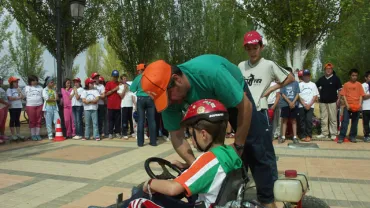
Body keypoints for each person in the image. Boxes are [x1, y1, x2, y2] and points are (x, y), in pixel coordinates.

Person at [141, 55, 293, 207]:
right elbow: (177, 136)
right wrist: (197, 167)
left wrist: (239, 145)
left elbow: (245, 106)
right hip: (208, 105)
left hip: (235, 98)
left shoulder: (211, 73)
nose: (169, 102)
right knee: (224, 157)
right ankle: (231, 190)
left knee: (255, 147)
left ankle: (268, 201)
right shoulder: (171, 98)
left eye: (168, 96)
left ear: (177, 80)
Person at [94, 99, 242, 208]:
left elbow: (173, 188)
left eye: (191, 134)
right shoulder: (230, 153)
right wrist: (186, 168)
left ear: (203, 135)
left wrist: (150, 183)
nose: (191, 139)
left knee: (140, 200)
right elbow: (210, 175)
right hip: (216, 203)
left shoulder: (208, 159)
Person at [130, 64, 157, 147]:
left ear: (139, 70)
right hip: (150, 98)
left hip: (141, 99)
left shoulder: (138, 78)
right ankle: (153, 142)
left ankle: (140, 143)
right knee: (152, 121)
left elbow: (132, 89)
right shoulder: (151, 77)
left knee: (141, 121)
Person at [316, 63, 342, 140]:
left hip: (333, 102)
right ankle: (324, 133)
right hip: (323, 102)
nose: (328, 70)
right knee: (324, 118)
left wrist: (338, 99)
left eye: (330, 69)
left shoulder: (336, 78)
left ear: (332, 70)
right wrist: (317, 95)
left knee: (333, 119)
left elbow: (340, 90)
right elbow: (315, 86)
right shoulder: (321, 79)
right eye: (327, 69)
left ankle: (333, 134)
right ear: (324, 70)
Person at [338, 69, 365, 143]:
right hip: (348, 106)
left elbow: (361, 95)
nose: (354, 77)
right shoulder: (346, 84)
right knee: (345, 122)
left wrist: (359, 105)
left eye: (356, 75)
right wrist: (347, 105)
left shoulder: (359, 84)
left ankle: (352, 136)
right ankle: (342, 137)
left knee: (355, 122)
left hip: (356, 106)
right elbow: (343, 95)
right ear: (350, 76)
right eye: (353, 75)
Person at [279, 67, 300, 144]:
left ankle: (295, 136)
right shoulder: (283, 82)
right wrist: (289, 102)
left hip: (294, 104)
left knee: (294, 120)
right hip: (285, 104)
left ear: (292, 73)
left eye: (289, 72)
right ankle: (283, 136)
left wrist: (293, 102)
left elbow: (297, 93)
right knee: (284, 120)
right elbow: (283, 94)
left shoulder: (296, 83)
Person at [298, 69, 319, 142]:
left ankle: (308, 135)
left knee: (309, 120)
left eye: (308, 75)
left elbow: (315, 96)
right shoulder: (300, 84)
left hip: (310, 106)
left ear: (310, 76)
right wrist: (303, 104)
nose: (307, 76)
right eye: (305, 75)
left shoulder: (313, 84)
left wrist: (309, 105)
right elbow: (298, 95)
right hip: (301, 105)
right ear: (303, 76)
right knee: (302, 121)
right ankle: (302, 135)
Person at [24, 75, 44, 141]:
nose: (35, 82)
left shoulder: (40, 88)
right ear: (30, 81)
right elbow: (23, 97)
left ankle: (37, 134)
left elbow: (43, 96)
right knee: (32, 120)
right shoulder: (26, 88)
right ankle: (33, 135)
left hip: (39, 105)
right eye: (33, 80)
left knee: (39, 120)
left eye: (36, 80)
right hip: (30, 105)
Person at [6, 76, 25, 141]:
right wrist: (18, 98)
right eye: (15, 82)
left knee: (17, 120)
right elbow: (10, 98)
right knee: (12, 119)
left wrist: (19, 92)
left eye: (17, 82)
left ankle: (18, 133)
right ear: (11, 83)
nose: (17, 83)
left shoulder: (18, 89)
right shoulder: (9, 90)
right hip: (12, 107)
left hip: (19, 106)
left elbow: (22, 97)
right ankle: (13, 135)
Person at [118, 74, 136, 139]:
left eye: (126, 78)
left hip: (130, 105)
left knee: (130, 119)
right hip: (124, 105)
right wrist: (124, 89)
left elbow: (132, 95)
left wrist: (134, 104)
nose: (125, 79)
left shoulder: (130, 86)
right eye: (124, 78)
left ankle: (132, 132)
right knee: (124, 120)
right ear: (121, 80)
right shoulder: (120, 87)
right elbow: (121, 96)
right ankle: (124, 133)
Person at [105, 70, 122, 139]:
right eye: (114, 76)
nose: (115, 78)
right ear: (112, 76)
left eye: (117, 77)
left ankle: (117, 132)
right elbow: (106, 93)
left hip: (118, 105)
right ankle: (110, 133)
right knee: (110, 120)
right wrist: (114, 89)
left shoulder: (120, 84)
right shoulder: (108, 84)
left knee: (118, 120)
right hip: (110, 105)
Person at [91, 72, 106, 137]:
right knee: (94, 120)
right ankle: (95, 133)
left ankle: (100, 132)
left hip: (100, 104)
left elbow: (103, 96)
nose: (97, 79)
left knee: (100, 119)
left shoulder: (101, 86)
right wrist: (99, 96)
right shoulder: (91, 86)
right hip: (93, 105)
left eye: (97, 78)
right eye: (95, 78)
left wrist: (97, 96)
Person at [0, 76, 9, 143]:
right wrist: (6, 103)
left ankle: (2, 135)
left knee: (3, 122)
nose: (2, 81)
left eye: (2, 79)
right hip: (0, 107)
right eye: (1, 80)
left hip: (4, 107)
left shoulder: (1, 89)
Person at [362, 71, 370, 142]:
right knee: (366, 123)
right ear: (366, 78)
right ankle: (366, 136)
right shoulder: (363, 85)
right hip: (365, 107)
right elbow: (363, 96)